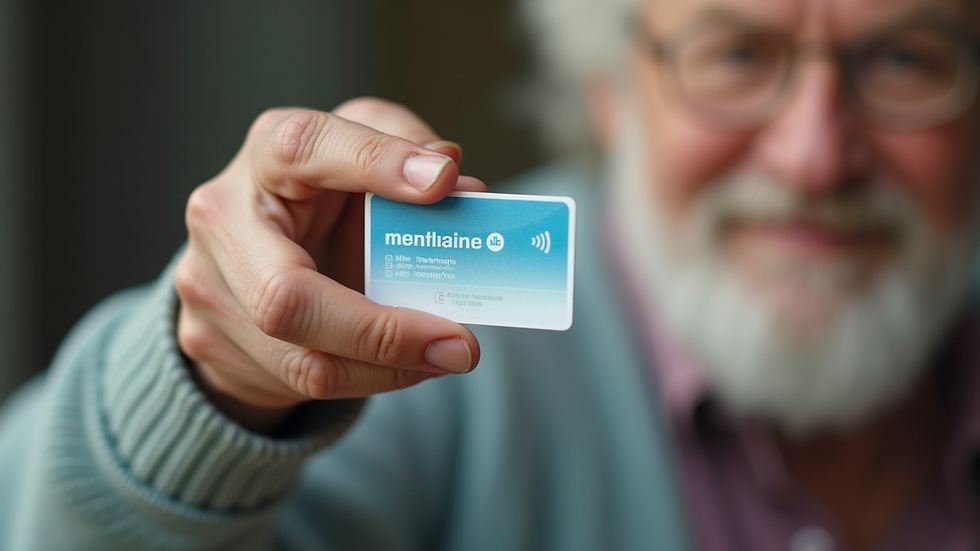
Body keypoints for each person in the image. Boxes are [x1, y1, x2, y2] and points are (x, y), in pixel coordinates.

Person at [1, 0, 978, 549]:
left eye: (901, 58)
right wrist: (209, 392)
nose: (813, 156)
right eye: (733, 54)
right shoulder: (431, 358)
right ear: (606, 91)